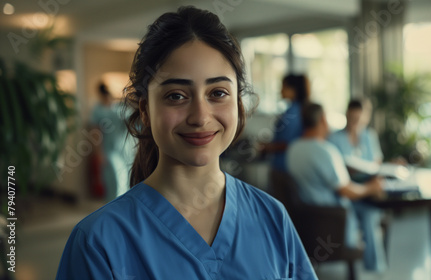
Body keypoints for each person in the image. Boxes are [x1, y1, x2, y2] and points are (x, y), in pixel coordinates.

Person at [56, 6, 317, 279]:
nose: (200, 117)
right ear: (145, 109)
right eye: (176, 96)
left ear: (238, 103)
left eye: (217, 93)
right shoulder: (99, 242)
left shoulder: (272, 218)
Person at [287, 103, 387, 272]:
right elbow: (346, 190)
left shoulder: (293, 149)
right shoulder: (326, 151)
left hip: (309, 220)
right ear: (323, 120)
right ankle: (375, 267)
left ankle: (375, 265)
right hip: (336, 223)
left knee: (368, 212)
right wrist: (371, 187)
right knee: (370, 211)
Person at [261, 74, 310, 197]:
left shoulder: (292, 112)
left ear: (293, 89)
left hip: (283, 167)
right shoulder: (300, 109)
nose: (280, 90)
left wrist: (266, 147)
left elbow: (288, 143)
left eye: (283, 87)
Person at [89, 82, 134, 202]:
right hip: (109, 150)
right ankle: (115, 209)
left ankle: (125, 209)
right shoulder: (98, 110)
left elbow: (131, 123)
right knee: (114, 181)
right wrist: (98, 153)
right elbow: (95, 133)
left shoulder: (119, 107)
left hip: (125, 150)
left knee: (127, 180)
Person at [328, 99, 383, 182]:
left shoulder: (369, 136)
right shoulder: (334, 138)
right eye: (352, 119)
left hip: (368, 182)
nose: (354, 124)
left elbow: (377, 162)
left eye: (357, 120)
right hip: (345, 183)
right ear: (347, 115)